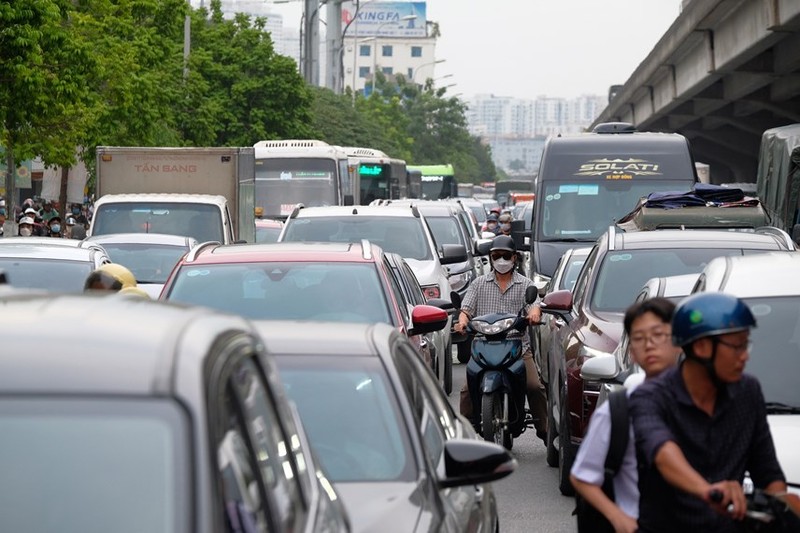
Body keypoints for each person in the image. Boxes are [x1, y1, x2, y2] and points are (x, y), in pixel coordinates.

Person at [630, 292, 798, 532]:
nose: (745, 355)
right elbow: (662, 452)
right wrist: (707, 491)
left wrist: (784, 509)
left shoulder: (748, 392)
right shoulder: (651, 397)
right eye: (737, 346)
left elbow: (768, 473)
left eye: (746, 344)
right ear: (701, 347)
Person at [570, 297, 681, 533]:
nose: (649, 345)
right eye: (639, 339)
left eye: (659, 335)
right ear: (632, 351)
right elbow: (582, 475)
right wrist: (617, 517)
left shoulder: (706, 402)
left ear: (679, 340)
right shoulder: (618, 409)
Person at [454, 234, 547, 440]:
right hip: (483, 346)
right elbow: (466, 309)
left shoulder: (525, 284)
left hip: (517, 347)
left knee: (534, 387)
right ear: (491, 258)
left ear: (514, 258)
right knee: (466, 390)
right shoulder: (478, 284)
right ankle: (463, 433)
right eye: (497, 256)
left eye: (506, 256)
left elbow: (535, 305)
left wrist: (534, 313)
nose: (501, 260)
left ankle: (546, 431)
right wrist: (461, 321)